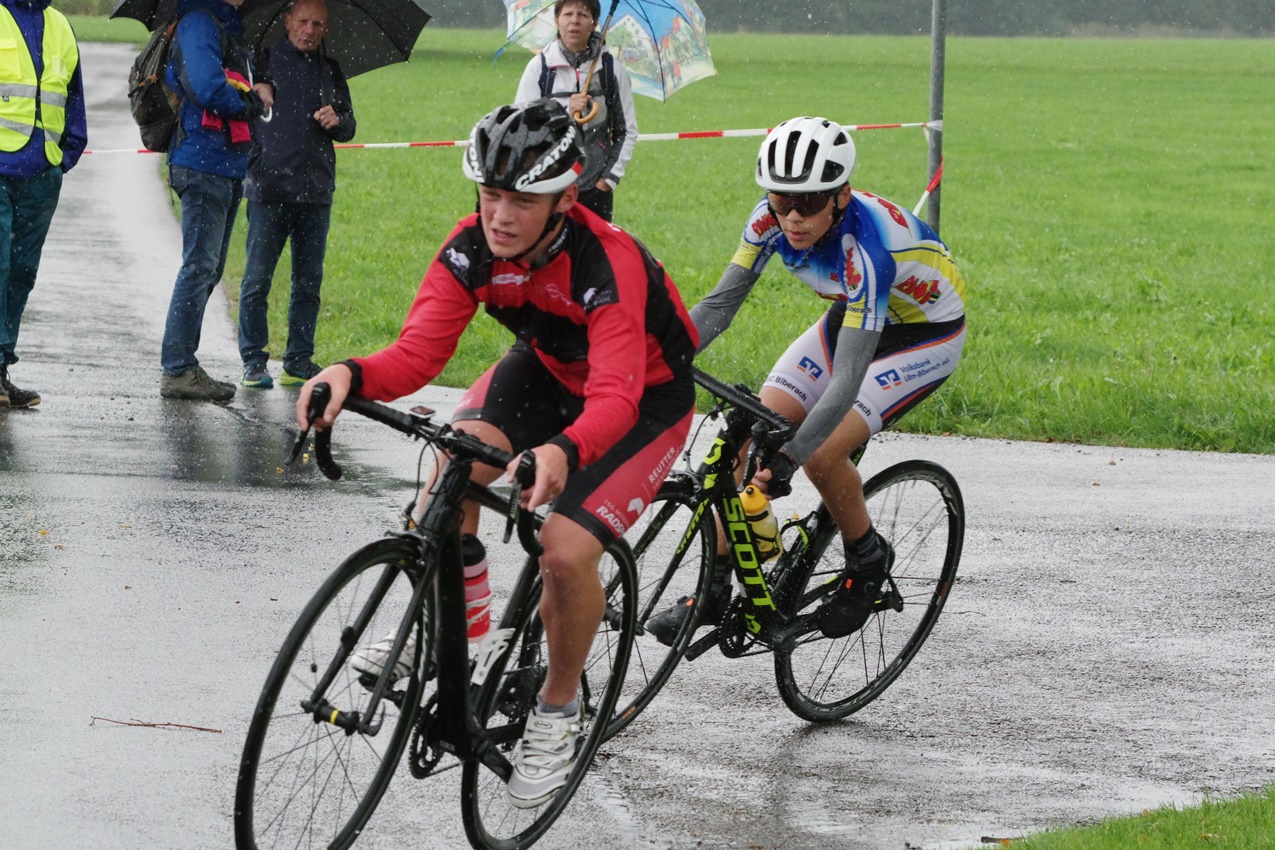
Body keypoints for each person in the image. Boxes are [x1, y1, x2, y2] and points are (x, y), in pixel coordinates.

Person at [296, 100, 697, 807]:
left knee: (564, 552)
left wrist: (565, 449)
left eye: (522, 201)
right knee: (449, 473)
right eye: (489, 194)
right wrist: (349, 374)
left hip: (641, 400)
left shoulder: (607, 261)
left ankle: (558, 709)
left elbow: (615, 395)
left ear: (565, 200)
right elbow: (418, 352)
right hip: (546, 370)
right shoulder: (470, 247)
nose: (500, 216)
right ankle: (458, 624)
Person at [647, 116, 967, 643]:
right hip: (855, 315)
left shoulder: (866, 251)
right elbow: (719, 306)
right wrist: (650, 363)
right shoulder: (768, 220)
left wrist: (790, 458)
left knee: (820, 454)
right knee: (743, 436)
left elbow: (848, 378)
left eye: (810, 202)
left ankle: (867, 558)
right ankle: (712, 591)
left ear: (840, 196)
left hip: (922, 335)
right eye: (781, 199)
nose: (793, 216)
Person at [237, 0, 355, 390]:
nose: (309, 29)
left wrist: (338, 120)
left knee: (308, 283)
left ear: (326, 28)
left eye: (318, 24)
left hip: (315, 191)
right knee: (257, 280)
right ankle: (253, 361)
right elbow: (237, 103)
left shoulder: (330, 70)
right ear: (287, 21)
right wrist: (257, 88)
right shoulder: (261, 61)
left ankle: (298, 361)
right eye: (303, 21)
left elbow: (349, 126)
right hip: (268, 189)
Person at [159, 0, 273, 401]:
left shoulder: (226, 26)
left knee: (208, 269)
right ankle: (178, 368)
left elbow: (228, 80)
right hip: (202, 162)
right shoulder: (198, 21)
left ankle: (182, 364)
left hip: (223, 164)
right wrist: (250, 104)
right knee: (199, 267)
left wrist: (256, 88)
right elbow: (207, 88)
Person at [0, 0, 86, 410]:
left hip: (41, 172)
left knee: (21, 272)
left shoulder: (60, 25)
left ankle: (1, 366)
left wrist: (65, 155)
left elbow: (73, 97)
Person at [514, 0, 637, 222]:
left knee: (594, 246)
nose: (574, 21)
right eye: (568, 14)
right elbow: (524, 127)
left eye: (583, 15)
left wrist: (607, 181)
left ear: (594, 23)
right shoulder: (539, 68)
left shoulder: (611, 70)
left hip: (595, 190)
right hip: (549, 187)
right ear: (556, 20)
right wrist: (566, 113)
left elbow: (626, 130)